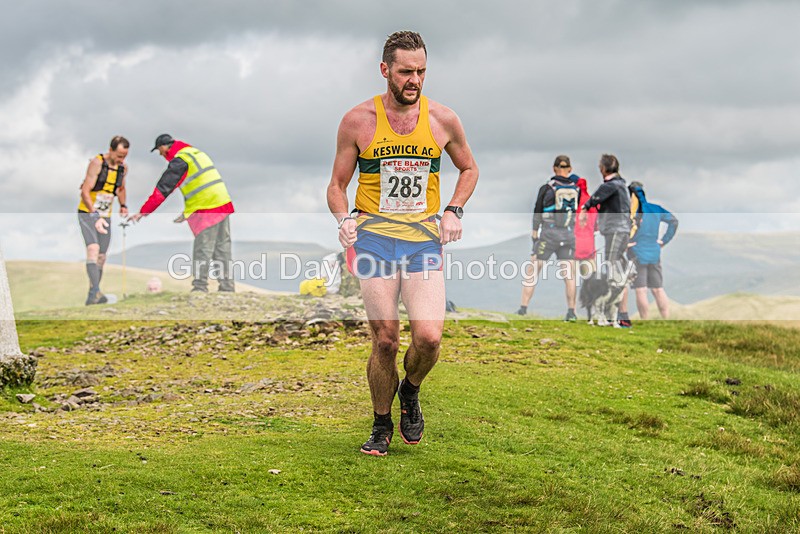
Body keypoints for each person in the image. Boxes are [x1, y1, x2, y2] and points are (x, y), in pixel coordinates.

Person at [326, 31, 478, 456]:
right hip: (373, 241)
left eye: (422, 71)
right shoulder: (358, 121)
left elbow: (469, 169)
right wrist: (344, 221)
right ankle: (380, 423)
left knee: (429, 338)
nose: (415, 80)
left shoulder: (443, 119)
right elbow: (337, 186)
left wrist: (454, 209)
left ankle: (409, 391)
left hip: (422, 243)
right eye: (406, 71)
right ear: (385, 70)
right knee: (386, 340)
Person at [128, 134, 235, 292]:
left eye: (160, 151)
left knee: (203, 249)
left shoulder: (180, 161)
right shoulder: (195, 153)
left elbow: (162, 189)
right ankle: (227, 288)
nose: (161, 155)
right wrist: (186, 213)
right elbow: (200, 184)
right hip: (222, 203)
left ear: (164, 147)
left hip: (206, 207)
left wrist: (143, 212)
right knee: (222, 248)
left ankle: (200, 288)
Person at [517, 155, 580, 321]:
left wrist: (534, 232)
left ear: (554, 168)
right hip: (567, 235)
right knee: (569, 274)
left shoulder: (547, 188)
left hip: (548, 235)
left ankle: (523, 309)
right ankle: (571, 312)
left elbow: (537, 211)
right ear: (570, 169)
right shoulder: (576, 190)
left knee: (533, 270)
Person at [580, 154, 632, 327]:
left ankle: (605, 312)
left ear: (603, 168)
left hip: (616, 229)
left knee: (611, 265)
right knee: (617, 266)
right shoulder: (622, 185)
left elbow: (594, 199)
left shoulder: (612, 185)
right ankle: (615, 314)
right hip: (622, 229)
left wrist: (584, 210)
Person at [78, 135, 129, 305]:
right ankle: (94, 293)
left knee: (101, 256)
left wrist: (123, 205)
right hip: (88, 212)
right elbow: (85, 191)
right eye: (119, 155)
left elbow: (121, 188)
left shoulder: (123, 168)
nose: (121, 159)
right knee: (93, 249)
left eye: (125, 156)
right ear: (111, 150)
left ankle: (94, 292)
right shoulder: (97, 163)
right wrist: (94, 214)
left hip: (106, 214)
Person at [626, 181, 678, 318]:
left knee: (640, 289)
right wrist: (663, 241)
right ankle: (666, 319)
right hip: (654, 253)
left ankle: (645, 320)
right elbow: (674, 221)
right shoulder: (655, 209)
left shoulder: (631, 212)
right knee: (658, 289)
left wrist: (625, 244)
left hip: (636, 252)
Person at [574, 176, 599, 279]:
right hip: (589, 245)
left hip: (574, 244)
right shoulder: (591, 202)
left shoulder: (571, 202)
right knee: (591, 277)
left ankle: (573, 296)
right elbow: (597, 226)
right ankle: (594, 294)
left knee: (572, 279)